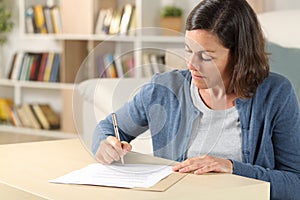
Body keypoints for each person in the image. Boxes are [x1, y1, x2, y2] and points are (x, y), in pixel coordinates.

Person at [92, 0, 300, 199]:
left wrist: (233, 168)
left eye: (206, 56)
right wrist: (105, 145)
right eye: (189, 50)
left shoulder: (276, 94)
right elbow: (108, 128)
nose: (191, 64)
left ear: (239, 55)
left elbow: (295, 183)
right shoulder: (163, 90)